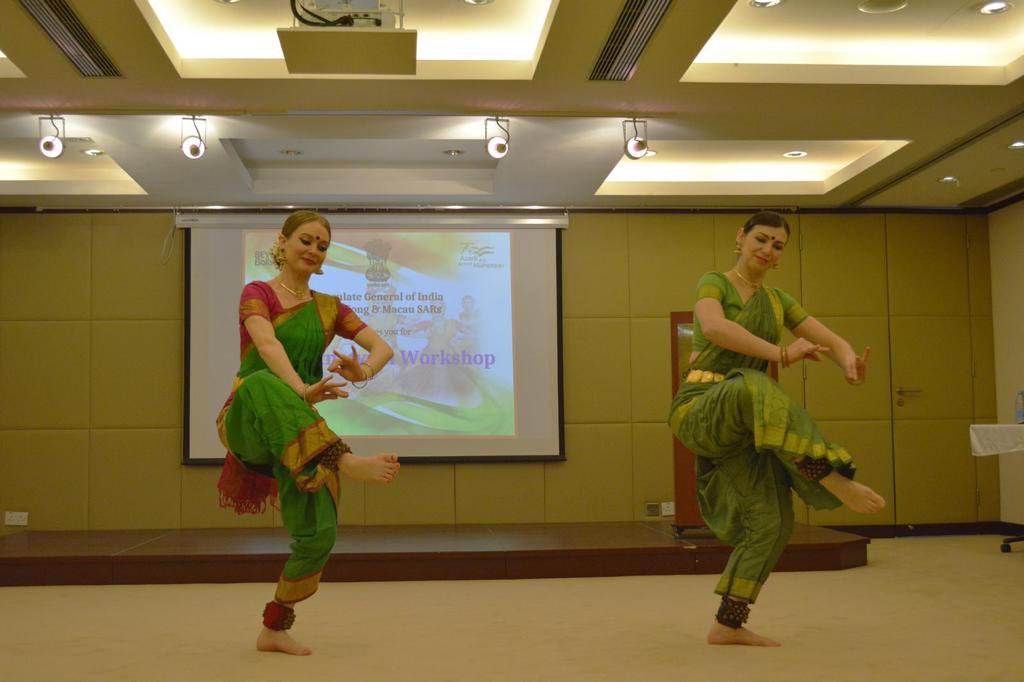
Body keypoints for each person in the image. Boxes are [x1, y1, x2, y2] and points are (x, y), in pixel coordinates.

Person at [667, 211, 886, 647]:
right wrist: (781, 354)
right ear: (741, 239)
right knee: (754, 383)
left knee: (772, 523)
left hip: (749, 426)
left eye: (778, 245)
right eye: (761, 239)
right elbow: (713, 326)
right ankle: (827, 475)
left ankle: (727, 623)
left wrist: (847, 362)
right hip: (701, 408)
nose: (767, 250)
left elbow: (830, 338)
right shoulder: (715, 282)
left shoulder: (777, 300)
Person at [215, 210, 400, 656]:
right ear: (282, 242)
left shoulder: (330, 307)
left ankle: (274, 627)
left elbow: (383, 347)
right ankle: (346, 458)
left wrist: (363, 371)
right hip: (248, 418)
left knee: (320, 533)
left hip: (297, 436)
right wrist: (301, 388)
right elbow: (266, 345)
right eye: (306, 240)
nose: (314, 250)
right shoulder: (257, 292)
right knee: (262, 382)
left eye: (322, 245)